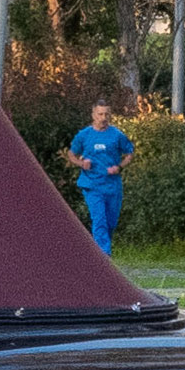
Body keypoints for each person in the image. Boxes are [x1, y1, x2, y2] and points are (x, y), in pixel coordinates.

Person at [70, 102, 135, 255]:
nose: (103, 118)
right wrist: (81, 163)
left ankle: (101, 251)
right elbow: (71, 154)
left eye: (106, 114)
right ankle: (104, 257)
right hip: (92, 185)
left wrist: (119, 167)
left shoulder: (117, 135)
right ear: (93, 115)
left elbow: (129, 154)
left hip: (112, 186)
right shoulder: (84, 135)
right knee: (99, 220)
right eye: (100, 114)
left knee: (111, 222)